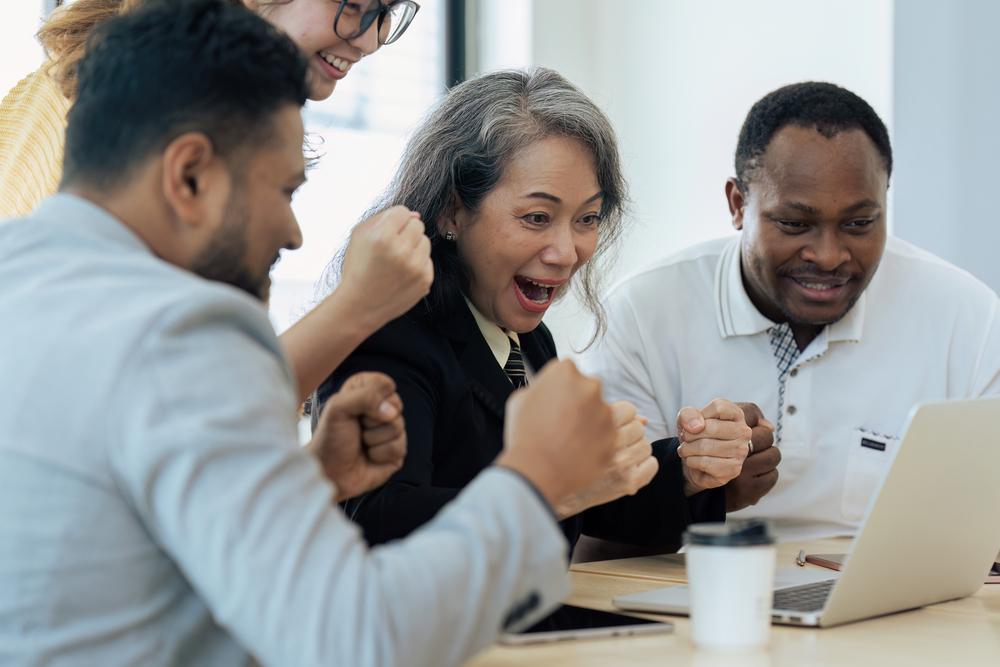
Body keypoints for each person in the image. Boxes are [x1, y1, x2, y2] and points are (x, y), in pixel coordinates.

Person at [0, 3, 626, 665]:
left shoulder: (19, 271)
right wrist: (531, 483)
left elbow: (113, 538)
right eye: (282, 190)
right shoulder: (185, 330)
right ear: (188, 176)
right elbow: (356, 637)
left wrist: (310, 477)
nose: (292, 233)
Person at [316, 68, 765, 555]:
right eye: (536, 218)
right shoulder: (391, 334)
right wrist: (546, 491)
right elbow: (372, 522)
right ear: (451, 211)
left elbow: (587, 501)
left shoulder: (524, 337)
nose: (566, 252)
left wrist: (689, 468)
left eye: (587, 219)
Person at [578, 81, 1000, 541]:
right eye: (795, 224)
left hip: (897, 605)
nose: (828, 255)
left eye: (859, 223)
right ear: (738, 205)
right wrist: (695, 486)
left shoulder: (967, 319)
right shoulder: (640, 314)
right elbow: (603, 525)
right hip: (697, 595)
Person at [0, 0, 429, 403]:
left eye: (389, 10)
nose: (370, 40)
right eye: (353, 4)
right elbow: (186, 409)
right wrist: (356, 306)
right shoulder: (130, 118)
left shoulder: (102, 83)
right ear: (186, 170)